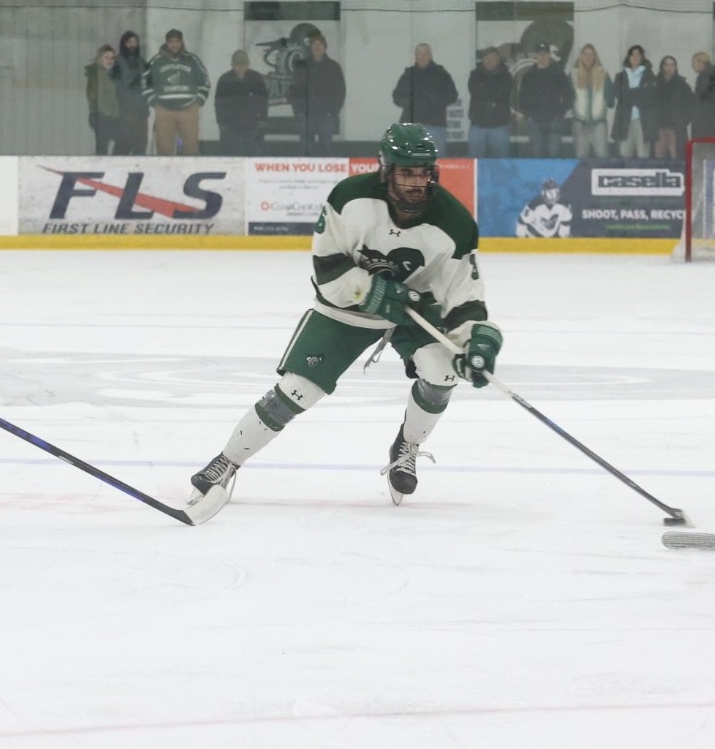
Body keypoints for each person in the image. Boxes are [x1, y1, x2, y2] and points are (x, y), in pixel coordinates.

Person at [182, 123, 501, 518]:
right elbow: (328, 271)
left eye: (424, 173)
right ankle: (227, 462)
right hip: (347, 307)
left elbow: (463, 294)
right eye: (407, 172)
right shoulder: (349, 198)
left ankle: (407, 446)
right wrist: (376, 294)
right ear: (387, 170)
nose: (417, 183)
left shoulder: (453, 222)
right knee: (298, 390)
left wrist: (476, 341)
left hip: (414, 308)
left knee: (442, 371)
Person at [144, 29, 210, 156]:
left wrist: (198, 101)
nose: (174, 45)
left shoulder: (193, 60)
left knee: (191, 147)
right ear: (166, 43)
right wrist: (154, 102)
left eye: (177, 41)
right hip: (164, 110)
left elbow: (205, 80)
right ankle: (166, 174)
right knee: (163, 148)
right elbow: (144, 82)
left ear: (182, 42)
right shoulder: (155, 61)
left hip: (189, 109)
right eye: (171, 42)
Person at [392, 43, 459, 155]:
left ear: (430, 55)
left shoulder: (441, 74)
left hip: (435, 127)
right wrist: (409, 102)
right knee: (409, 166)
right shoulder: (408, 74)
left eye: (425, 53)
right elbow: (396, 96)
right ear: (415, 56)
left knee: (438, 166)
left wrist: (435, 101)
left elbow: (452, 95)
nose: (422, 56)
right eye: (419, 53)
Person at [289, 31, 346, 155]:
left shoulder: (334, 67)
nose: (317, 46)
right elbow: (294, 91)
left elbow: (340, 91)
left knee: (327, 149)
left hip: (326, 116)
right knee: (306, 150)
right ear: (310, 48)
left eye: (320, 43)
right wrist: (299, 112)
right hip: (306, 115)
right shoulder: (302, 66)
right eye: (314, 44)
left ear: (325, 47)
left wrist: (333, 112)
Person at [515, 43, 573, 157]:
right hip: (534, 122)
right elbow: (522, 98)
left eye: (545, 54)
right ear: (536, 56)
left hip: (554, 121)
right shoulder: (528, 76)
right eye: (540, 54)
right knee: (537, 155)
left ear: (549, 56)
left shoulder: (558, 74)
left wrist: (561, 112)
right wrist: (528, 115)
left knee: (554, 155)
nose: (542, 57)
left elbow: (569, 95)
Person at [214, 50, 269, 156]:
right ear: (232, 64)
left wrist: (262, 121)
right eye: (238, 64)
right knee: (230, 156)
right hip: (230, 126)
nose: (241, 67)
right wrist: (222, 123)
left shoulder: (256, 78)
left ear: (248, 64)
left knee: (254, 156)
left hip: (253, 127)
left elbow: (263, 102)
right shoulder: (224, 79)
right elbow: (219, 104)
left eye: (244, 64)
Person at [467, 48, 513, 158]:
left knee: (501, 163)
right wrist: (492, 93)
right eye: (487, 58)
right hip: (477, 126)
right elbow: (475, 91)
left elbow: (502, 93)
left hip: (499, 126)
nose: (489, 61)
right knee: (475, 162)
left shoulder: (506, 76)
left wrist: (485, 89)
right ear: (482, 60)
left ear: (498, 61)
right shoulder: (474, 75)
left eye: (493, 59)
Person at [609, 44, 651, 158]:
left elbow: (648, 97)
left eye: (638, 55)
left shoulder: (649, 75)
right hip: (624, 120)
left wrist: (630, 94)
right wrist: (637, 93)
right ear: (628, 57)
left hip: (642, 121)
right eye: (632, 55)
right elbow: (619, 94)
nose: (635, 57)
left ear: (642, 57)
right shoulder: (620, 76)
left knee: (643, 155)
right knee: (624, 154)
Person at [646, 54, 690, 159]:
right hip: (658, 128)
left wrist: (683, 121)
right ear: (662, 67)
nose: (669, 68)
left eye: (672, 65)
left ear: (676, 67)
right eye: (666, 65)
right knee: (658, 159)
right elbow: (649, 105)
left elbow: (690, 106)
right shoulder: (654, 84)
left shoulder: (683, 85)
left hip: (676, 129)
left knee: (677, 158)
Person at [85, 44, 126, 154]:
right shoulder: (97, 74)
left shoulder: (108, 75)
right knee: (103, 147)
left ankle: (111, 166)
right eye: (107, 57)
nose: (110, 60)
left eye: (112, 58)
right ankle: (101, 169)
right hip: (101, 116)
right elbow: (93, 96)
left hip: (109, 116)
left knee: (122, 142)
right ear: (99, 59)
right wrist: (104, 113)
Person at [114, 31, 150, 155]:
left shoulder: (142, 62)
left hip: (141, 111)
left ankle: (138, 174)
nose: (133, 45)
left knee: (140, 145)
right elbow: (116, 86)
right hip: (124, 111)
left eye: (135, 42)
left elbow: (149, 84)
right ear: (124, 43)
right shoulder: (117, 62)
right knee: (124, 144)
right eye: (129, 42)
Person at [573, 45, 611, 158]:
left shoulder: (603, 74)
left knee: (602, 156)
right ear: (581, 56)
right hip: (580, 122)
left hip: (599, 122)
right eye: (585, 54)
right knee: (580, 158)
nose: (588, 57)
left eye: (591, 54)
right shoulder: (573, 74)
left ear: (595, 57)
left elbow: (611, 96)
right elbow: (567, 96)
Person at [687, 51, 715, 142]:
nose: (692, 66)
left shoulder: (704, 78)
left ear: (701, 63)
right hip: (714, 119)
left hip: (706, 122)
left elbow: (702, 101)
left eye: (694, 63)